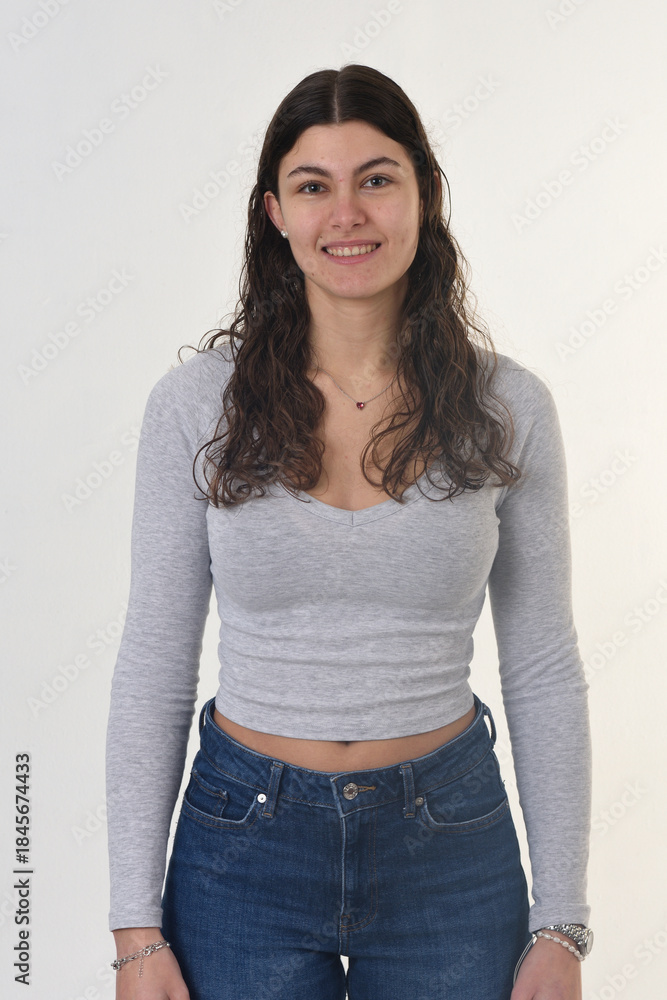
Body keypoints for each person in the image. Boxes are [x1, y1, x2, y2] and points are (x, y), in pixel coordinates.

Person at [105, 64, 593, 1000]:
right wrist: (135, 929)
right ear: (273, 214)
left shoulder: (509, 408)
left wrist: (562, 923)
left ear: (426, 194)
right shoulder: (194, 406)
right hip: (238, 846)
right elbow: (153, 662)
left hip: (449, 846)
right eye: (312, 186)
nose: (347, 215)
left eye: (375, 178)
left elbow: (542, 667)